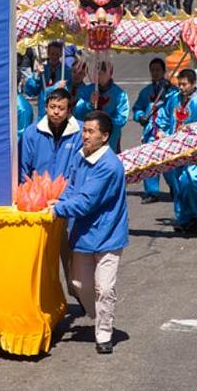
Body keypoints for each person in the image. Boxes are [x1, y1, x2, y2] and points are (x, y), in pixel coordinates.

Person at [51, 111, 129, 355]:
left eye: (91, 132)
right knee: (78, 283)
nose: (85, 136)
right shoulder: (80, 156)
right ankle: (100, 314)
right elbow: (71, 187)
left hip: (108, 234)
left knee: (104, 288)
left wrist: (57, 210)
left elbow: (86, 201)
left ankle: (104, 333)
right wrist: (60, 200)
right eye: (84, 131)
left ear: (105, 136)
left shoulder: (109, 165)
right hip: (84, 233)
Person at [155, 69, 197, 233]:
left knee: (191, 182)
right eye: (179, 84)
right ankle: (182, 218)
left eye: (184, 84)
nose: (181, 87)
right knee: (178, 184)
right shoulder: (173, 99)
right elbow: (164, 117)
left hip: (193, 152)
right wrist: (161, 130)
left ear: (193, 84)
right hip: (174, 149)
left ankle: (195, 216)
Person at [132, 58, 174, 203]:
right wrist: (140, 116)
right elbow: (137, 108)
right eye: (153, 70)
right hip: (150, 131)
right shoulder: (145, 92)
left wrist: (170, 91)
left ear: (164, 71)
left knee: (169, 163)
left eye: (158, 70)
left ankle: (175, 188)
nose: (155, 73)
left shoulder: (172, 91)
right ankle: (151, 191)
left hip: (166, 131)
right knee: (149, 162)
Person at [19, 87, 82, 181]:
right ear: (46, 107)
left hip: (67, 192)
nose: (56, 112)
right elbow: (23, 168)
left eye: (61, 108)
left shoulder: (80, 132)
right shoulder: (31, 133)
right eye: (52, 107)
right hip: (38, 191)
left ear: (69, 110)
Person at [73, 60, 129, 153]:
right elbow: (77, 112)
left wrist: (104, 122)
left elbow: (122, 119)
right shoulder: (87, 90)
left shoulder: (120, 94)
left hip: (110, 139)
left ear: (110, 73)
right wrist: (89, 104)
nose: (98, 74)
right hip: (89, 137)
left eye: (102, 72)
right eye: (97, 71)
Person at [23, 41, 73, 119]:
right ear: (48, 53)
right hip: (43, 110)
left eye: (57, 54)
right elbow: (30, 92)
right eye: (52, 54)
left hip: (59, 111)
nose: (54, 57)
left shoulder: (66, 71)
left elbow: (66, 92)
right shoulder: (42, 69)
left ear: (61, 54)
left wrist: (57, 88)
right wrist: (36, 76)